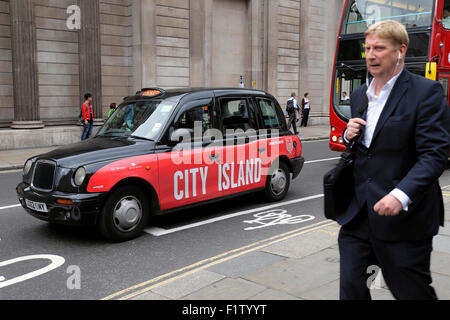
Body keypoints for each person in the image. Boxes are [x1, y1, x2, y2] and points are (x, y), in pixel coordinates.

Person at [338, 20, 450, 300]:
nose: (371, 55)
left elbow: (434, 154)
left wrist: (400, 196)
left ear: (400, 51)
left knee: (411, 292)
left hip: (403, 219)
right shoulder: (359, 95)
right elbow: (367, 149)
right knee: (352, 288)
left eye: (379, 48)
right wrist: (349, 134)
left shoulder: (426, 92)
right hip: (359, 215)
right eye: (368, 48)